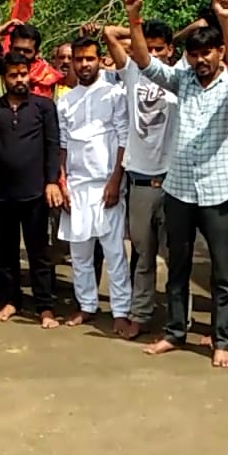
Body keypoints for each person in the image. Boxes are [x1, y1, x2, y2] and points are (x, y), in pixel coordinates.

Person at [131, 0, 228, 369]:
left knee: (224, 271)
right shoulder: (181, 81)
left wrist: (226, 20)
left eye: (207, 53)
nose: (201, 60)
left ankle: (221, 340)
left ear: (218, 52)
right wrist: (135, 18)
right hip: (179, 190)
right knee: (178, 265)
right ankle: (174, 333)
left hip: (218, 192)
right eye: (195, 54)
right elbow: (148, 64)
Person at [0, 51, 63, 328]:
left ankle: (45, 307)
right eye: (13, 75)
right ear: (4, 78)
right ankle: (11, 301)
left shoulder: (43, 107)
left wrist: (52, 181)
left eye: (23, 74)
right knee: (5, 251)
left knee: (38, 252)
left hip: (36, 192)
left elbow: (52, 145)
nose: (19, 80)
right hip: (2, 193)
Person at [103, 15, 178, 340]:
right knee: (144, 257)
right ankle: (141, 314)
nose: (154, 55)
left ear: (171, 51)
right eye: (149, 48)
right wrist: (138, 23)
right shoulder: (131, 72)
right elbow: (108, 33)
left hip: (175, 182)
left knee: (178, 259)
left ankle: (179, 323)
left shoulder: (181, 78)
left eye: (160, 49)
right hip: (141, 183)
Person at [57, 37, 131, 335]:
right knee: (80, 254)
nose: (84, 64)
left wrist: (116, 181)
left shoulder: (115, 94)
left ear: (100, 59)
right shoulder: (65, 101)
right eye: (79, 59)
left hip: (106, 185)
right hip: (76, 185)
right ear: (72, 62)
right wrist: (61, 181)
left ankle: (121, 310)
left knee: (114, 253)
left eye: (89, 58)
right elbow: (62, 145)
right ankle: (86, 305)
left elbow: (124, 140)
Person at [7, 23, 63, 99]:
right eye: (17, 49)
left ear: (37, 53)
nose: (21, 54)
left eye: (27, 51)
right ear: (10, 48)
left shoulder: (48, 77)